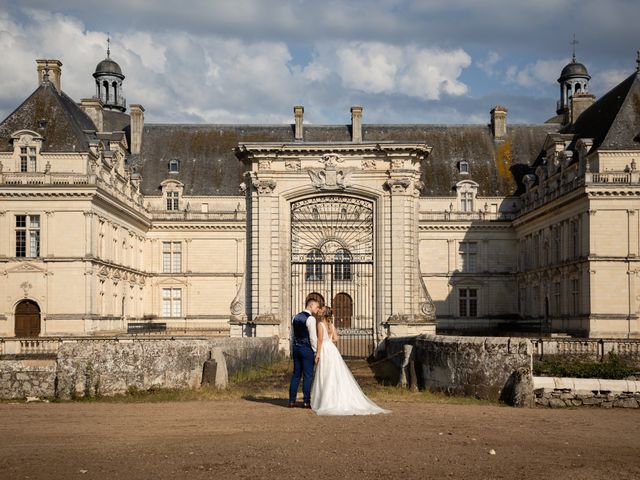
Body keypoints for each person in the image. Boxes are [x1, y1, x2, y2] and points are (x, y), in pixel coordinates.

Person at [310, 306, 389, 416]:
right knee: (334, 374)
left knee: (325, 374)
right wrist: (329, 340)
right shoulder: (331, 325)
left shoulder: (320, 324)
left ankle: (326, 399)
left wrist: (317, 353)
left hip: (324, 349)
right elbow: (336, 339)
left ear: (323, 314)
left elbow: (319, 340)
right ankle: (335, 398)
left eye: (321, 309)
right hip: (332, 350)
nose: (319, 310)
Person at [288, 298, 320, 408]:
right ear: (310, 306)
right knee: (307, 376)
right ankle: (306, 401)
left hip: (296, 348)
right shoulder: (310, 319)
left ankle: (291, 400)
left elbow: (292, 335)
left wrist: (293, 348)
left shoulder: (295, 317)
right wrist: (316, 351)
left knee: (296, 375)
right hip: (307, 350)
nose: (317, 309)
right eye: (316, 307)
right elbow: (312, 337)